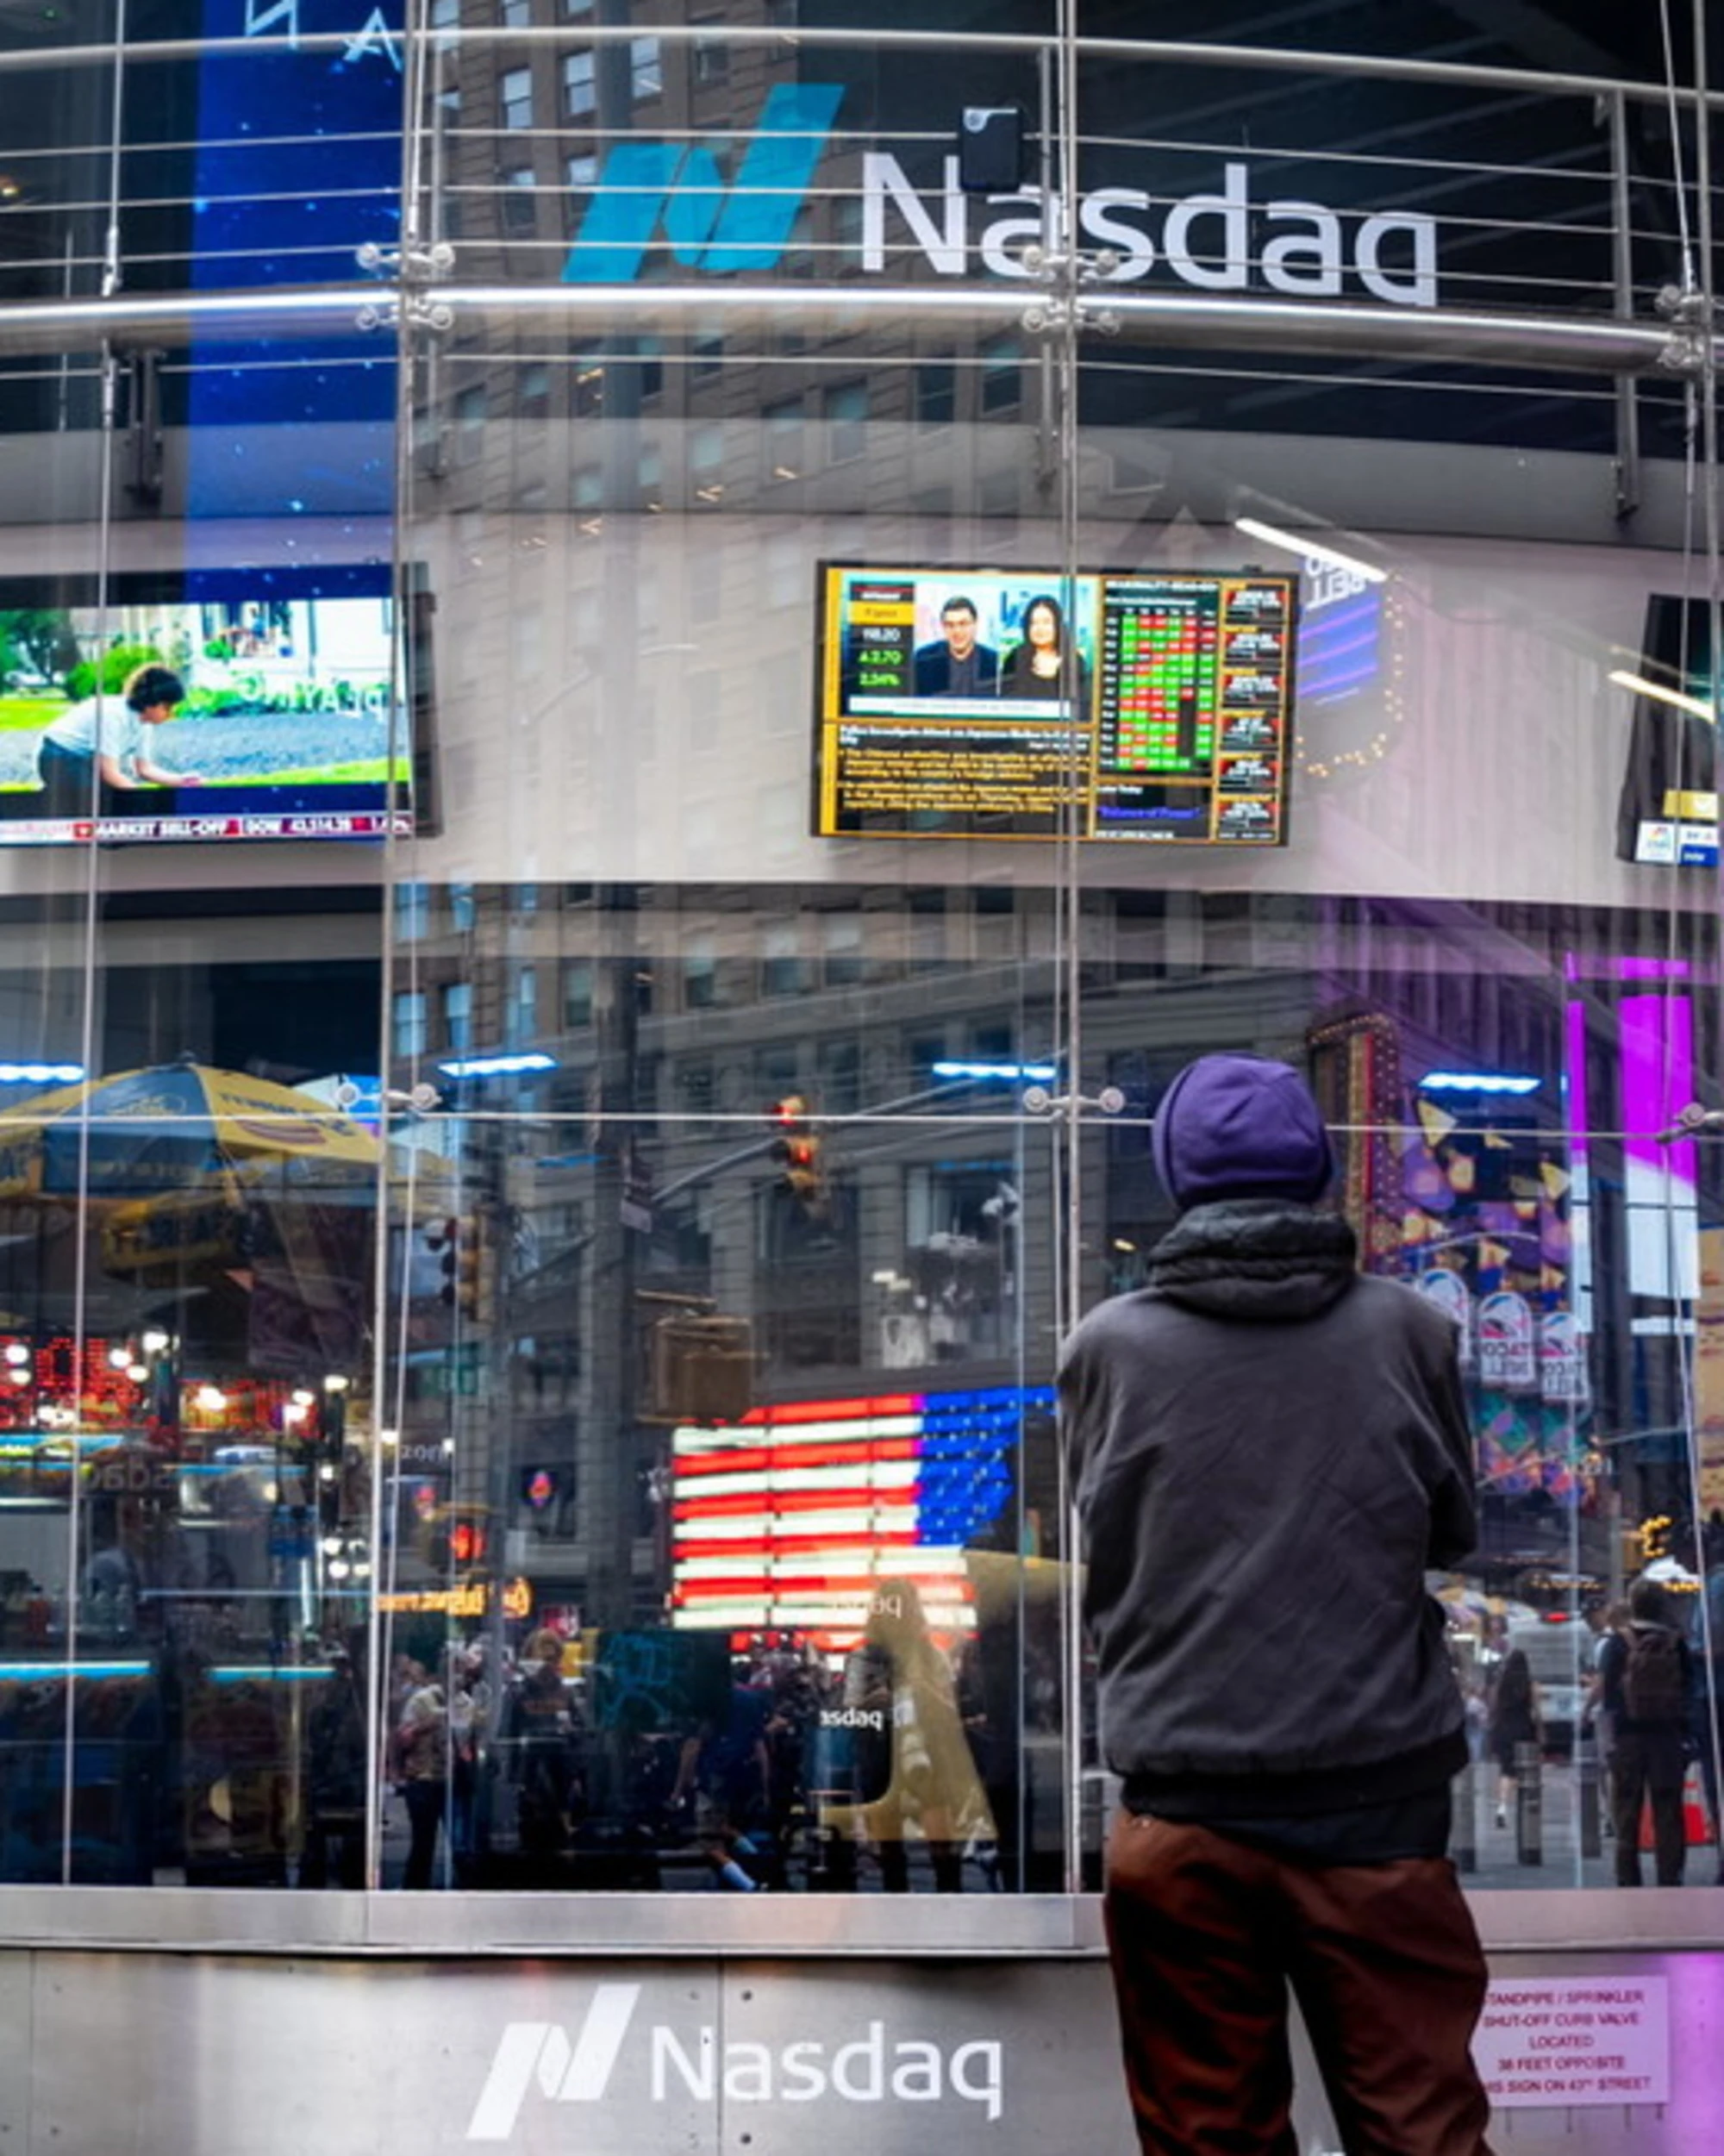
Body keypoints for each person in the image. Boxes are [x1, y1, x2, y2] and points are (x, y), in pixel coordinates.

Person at [1059, 1051, 1494, 2156]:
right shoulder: (1408, 1328)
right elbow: (1450, 1529)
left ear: (1172, 1176)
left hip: (1182, 1802)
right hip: (1378, 1801)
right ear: (1313, 1170)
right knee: (1421, 2125)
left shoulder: (1107, 1346)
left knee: (1209, 2133)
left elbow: (1102, 1551)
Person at [1598, 1577, 1693, 1887]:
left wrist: (1608, 1738)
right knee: (1668, 1811)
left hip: (1628, 1737)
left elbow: (1609, 1694)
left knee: (1626, 1811)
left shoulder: (1618, 1643)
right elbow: (1688, 1692)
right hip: (1666, 1737)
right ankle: (1670, 1877)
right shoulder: (1676, 1643)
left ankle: (1628, 1880)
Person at [34, 662, 203, 816]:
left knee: (117, 798)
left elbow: (144, 769)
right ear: (150, 702)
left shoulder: (143, 723)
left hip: (87, 761)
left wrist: (180, 780)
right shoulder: (112, 716)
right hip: (59, 756)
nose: (170, 714)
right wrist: (143, 800)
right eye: (167, 707)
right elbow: (109, 773)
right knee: (102, 801)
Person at [1486, 1649, 1541, 1830]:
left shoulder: (1500, 1684)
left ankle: (1502, 1807)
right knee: (1523, 1770)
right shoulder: (1529, 1684)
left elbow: (1493, 1707)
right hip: (1523, 1728)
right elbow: (1535, 1711)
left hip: (1503, 1728)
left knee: (1505, 1770)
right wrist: (1541, 1731)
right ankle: (1524, 1807)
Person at [1000, 592, 1089, 704]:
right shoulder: (1015, 658)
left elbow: (1083, 705)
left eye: (1046, 622)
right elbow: (1005, 700)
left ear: (1057, 625)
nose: (1040, 629)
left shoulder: (1074, 661)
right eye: (1034, 623)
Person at [912, 595, 999, 697]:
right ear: (943, 627)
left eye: (963, 624)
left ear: (975, 625)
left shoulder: (993, 662)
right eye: (950, 625)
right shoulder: (924, 659)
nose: (957, 631)